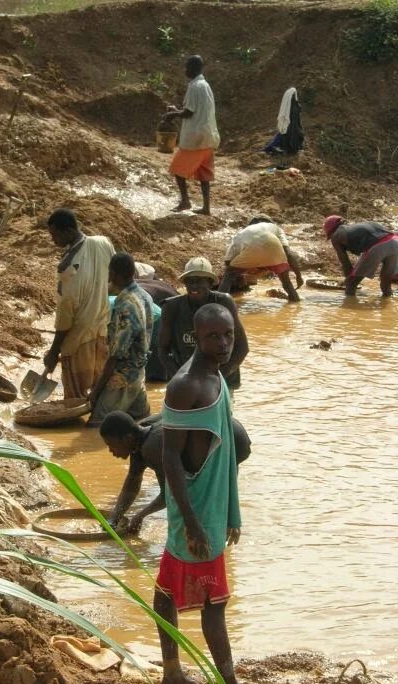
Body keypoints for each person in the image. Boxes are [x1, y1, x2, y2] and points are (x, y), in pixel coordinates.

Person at [154, 303, 277, 684]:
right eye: (213, 337)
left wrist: (232, 512)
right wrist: (190, 521)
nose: (224, 343)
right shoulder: (185, 385)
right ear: (196, 337)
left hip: (211, 504)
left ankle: (172, 674)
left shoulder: (218, 374)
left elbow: (223, 453)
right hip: (195, 509)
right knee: (215, 604)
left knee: (167, 588)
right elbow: (170, 457)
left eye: (228, 334)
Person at [100, 410, 252, 535]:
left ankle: (220, 535)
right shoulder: (139, 434)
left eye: (111, 445)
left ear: (127, 439)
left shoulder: (153, 447)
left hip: (231, 441)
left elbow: (168, 495)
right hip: (226, 430)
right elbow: (132, 482)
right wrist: (114, 518)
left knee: (207, 504)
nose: (111, 451)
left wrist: (140, 516)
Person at [44, 209, 115, 398]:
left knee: (75, 396)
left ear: (68, 231)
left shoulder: (67, 267)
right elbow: (112, 278)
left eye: (55, 235)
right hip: (101, 330)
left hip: (78, 340)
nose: (53, 240)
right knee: (99, 391)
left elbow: (65, 314)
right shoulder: (103, 242)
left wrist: (54, 351)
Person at [158, 257, 248, 396]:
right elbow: (163, 349)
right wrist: (180, 378)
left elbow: (242, 347)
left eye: (200, 281)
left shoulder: (224, 302)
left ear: (210, 283)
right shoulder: (172, 307)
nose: (194, 286)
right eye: (190, 281)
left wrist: (216, 377)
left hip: (222, 379)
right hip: (186, 381)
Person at [88, 253, 152, 426]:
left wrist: (96, 391)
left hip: (123, 377)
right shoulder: (144, 295)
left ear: (113, 274)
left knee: (98, 424)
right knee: (142, 423)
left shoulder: (125, 306)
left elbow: (116, 354)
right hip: (139, 372)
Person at [161, 55, 220, 215]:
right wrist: (176, 111)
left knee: (178, 170)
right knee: (204, 175)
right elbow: (195, 110)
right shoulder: (205, 85)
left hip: (196, 138)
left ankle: (185, 201)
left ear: (193, 68)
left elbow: (188, 112)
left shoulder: (194, 86)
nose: (185, 70)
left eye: (187, 67)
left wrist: (172, 115)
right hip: (208, 136)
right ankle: (206, 208)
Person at [219, 215, 303, 302]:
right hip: (274, 250)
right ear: (269, 222)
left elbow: (228, 261)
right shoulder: (275, 228)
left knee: (229, 274)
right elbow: (288, 253)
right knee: (286, 282)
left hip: (250, 252)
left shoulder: (242, 233)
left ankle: (220, 302)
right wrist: (298, 276)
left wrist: (236, 273)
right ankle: (295, 303)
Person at [324, 215, 397, 297]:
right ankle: (387, 300)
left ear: (331, 231)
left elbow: (345, 262)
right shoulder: (357, 228)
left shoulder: (336, 236)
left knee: (351, 284)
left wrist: (349, 280)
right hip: (395, 242)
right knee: (386, 283)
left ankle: (350, 303)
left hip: (377, 245)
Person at [264, 87, 304, 156]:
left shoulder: (295, 106)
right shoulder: (294, 106)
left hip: (294, 128)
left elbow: (296, 119)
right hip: (290, 128)